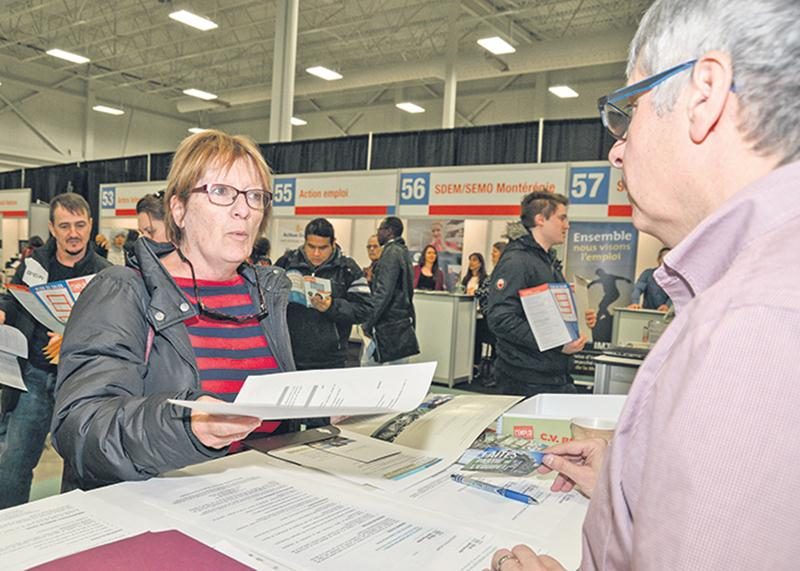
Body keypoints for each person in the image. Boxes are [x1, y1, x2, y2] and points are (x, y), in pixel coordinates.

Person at [489, 0, 800, 568]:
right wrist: (633, 476)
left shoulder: (754, 324)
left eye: (628, 111)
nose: (616, 147)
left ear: (704, 94)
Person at [51, 129, 297, 491]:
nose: (243, 210)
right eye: (221, 192)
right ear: (178, 210)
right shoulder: (123, 291)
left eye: (255, 196)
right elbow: (81, 428)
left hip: (251, 504)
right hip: (155, 514)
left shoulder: (267, 296)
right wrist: (185, 425)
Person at [0, 193, 111, 508]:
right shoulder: (34, 263)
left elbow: (114, 328)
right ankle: (8, 532)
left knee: (79, 468)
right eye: (64, 225)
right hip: (34, 376)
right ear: (52, 227)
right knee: (13, 462)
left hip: (80, 383)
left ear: (90, 225)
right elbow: (14, 298)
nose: (72, 233)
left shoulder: (104, 273)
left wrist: (73, 340)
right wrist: (3, 310)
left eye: (79, 225)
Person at [486, 192, 589, 397]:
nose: (567, 225)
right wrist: (558, 343)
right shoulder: (517, 261)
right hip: (525, 379)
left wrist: (579, 319)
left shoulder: (546, 261)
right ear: (540, 219)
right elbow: (501, 319)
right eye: (562, 218)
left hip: (550, 374)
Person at [275, 217, 372, 371]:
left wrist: (332, 306)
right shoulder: (286, 263)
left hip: (331, 360)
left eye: (323, 248)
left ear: (333, 243)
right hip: (289, 354)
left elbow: (364, 310)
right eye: (311, 246)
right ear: (304, 242)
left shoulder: (348, 269)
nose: (316, 253)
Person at [362, 216, 417, 366]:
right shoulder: (402, 251)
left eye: (380, 229)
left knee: (368, 369)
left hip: (388, 324)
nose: (378, 233)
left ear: (389, 231)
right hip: (400, 321)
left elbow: (383, 292)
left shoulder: (390, 253)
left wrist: (368, 321)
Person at [629, 246, 672, 311]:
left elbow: (674, 295)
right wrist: (635, 303)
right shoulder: (648, 274)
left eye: (669, 257)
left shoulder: (675, 278)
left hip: (665, 314)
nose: (666, 260)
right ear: (658, 259)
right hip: (647, 312)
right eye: (664, 256)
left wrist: (667, 305)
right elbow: (637, 289)